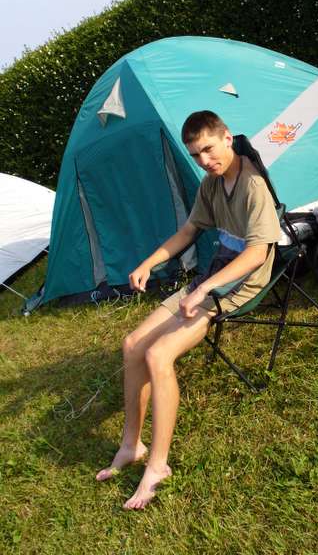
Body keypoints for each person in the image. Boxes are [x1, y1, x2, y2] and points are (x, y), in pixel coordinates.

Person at [96, 110, 281, 510]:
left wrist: (205, 290)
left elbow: (257, 253)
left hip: (239, 284)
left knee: (158, 354)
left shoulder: (253, 185)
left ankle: (158, 465)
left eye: (208, 150)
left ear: (227, 138)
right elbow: (189, 231)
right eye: (196, 155)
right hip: (214, 275)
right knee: (133, 345)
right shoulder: (213, 183)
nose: (204, 161)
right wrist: (148, 263)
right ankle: (131, 444)